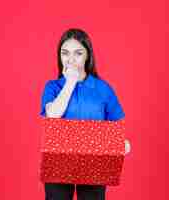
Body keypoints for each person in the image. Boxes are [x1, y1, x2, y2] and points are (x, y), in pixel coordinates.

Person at [40, 28, 131, 200]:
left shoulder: (103, 89)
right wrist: (70, 82)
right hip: (58, 160)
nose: (71, 59)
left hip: (94, 160)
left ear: (87, 56)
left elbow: (116, 124)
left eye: (78, 53)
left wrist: (121, 143)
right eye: (65, 53)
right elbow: (52, 115)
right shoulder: (52, 87)